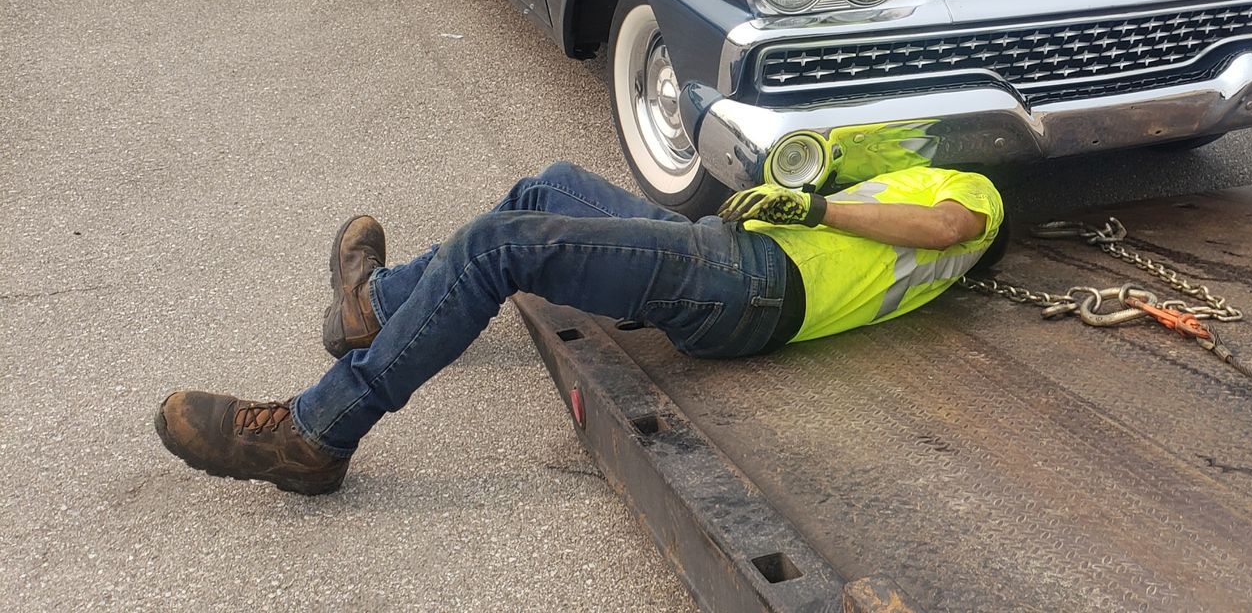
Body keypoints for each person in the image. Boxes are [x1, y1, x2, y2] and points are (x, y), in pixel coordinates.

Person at [154, 161, 1004, 495]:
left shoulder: (974, 189)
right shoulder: (896, 162)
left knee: (497, 249)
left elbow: (948, 229)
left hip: (752, 290)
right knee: (545, 189)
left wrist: (814, 203)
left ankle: (317, 432)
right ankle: (371, 307)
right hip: (729, 257)